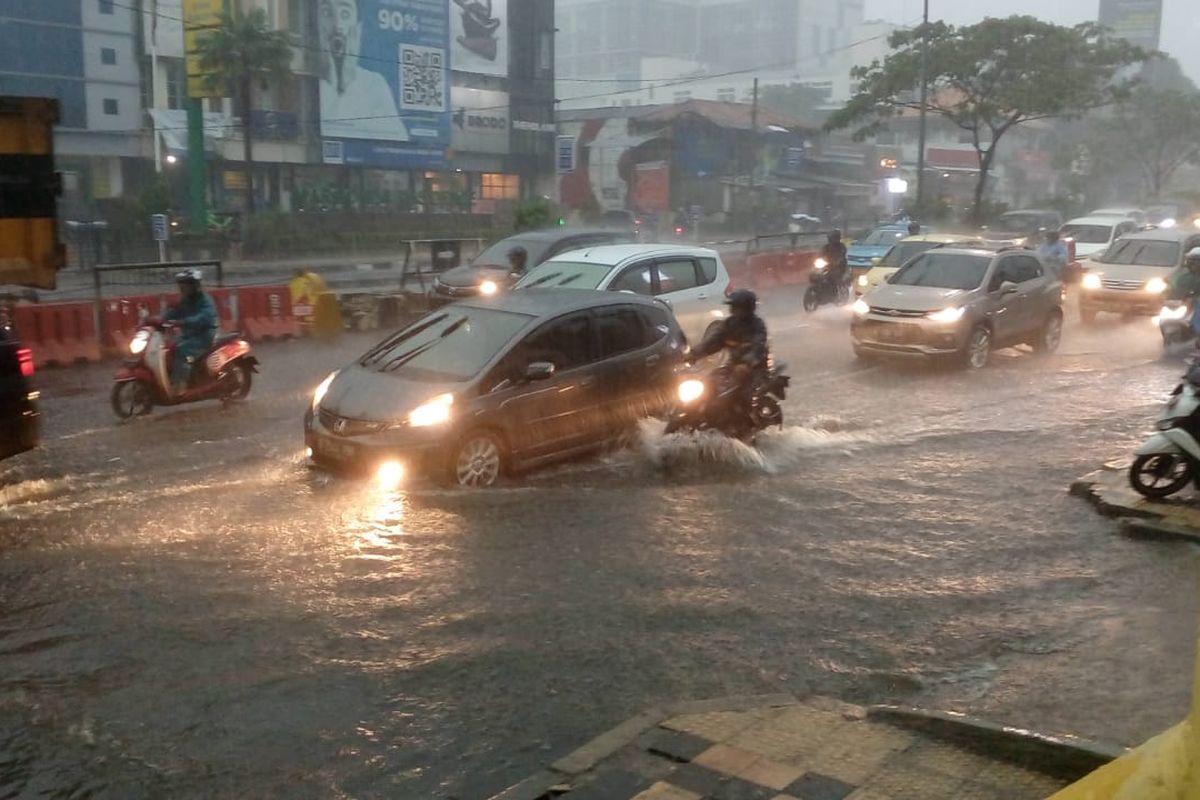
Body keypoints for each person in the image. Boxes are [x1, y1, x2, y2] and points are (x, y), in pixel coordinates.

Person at [318, 0, 409, 142]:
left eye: (345, 14)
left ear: (357, 27)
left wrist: (347, 83)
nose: (337, 26)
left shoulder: (374, 83)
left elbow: (400, 139)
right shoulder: (309, 82)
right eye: (326, 13)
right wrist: (333, 84)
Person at [690, 289, 770, 427]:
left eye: (736, 306)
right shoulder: (728, 324)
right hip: (733, 365)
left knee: (744, 396)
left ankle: (749, 427)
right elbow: (713, 342)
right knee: (709, 382)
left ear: (747, 307)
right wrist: (693, 354)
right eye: (732, 306)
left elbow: (758, 346)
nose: (732, 310)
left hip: (755, 368)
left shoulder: (757, 325)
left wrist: (747, 363)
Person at [163, 269, 218, 393]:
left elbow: (202, 318)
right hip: (189, 335)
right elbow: (173, 312)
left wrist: (183, 322)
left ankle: (180, 384)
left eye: (186, 284)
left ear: (195, 285)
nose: (182, 287)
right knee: (168, 347)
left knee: (181, 349)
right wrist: (157, 319)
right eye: (181, 284)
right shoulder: (186, 300)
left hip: (203, 336)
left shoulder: (205, 301)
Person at [1169, 248, 1200, 338]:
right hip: (1185, 305)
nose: (1193, 263)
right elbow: (1174, 289)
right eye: (1191, 260)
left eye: (1196, 261)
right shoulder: (1182, 277)